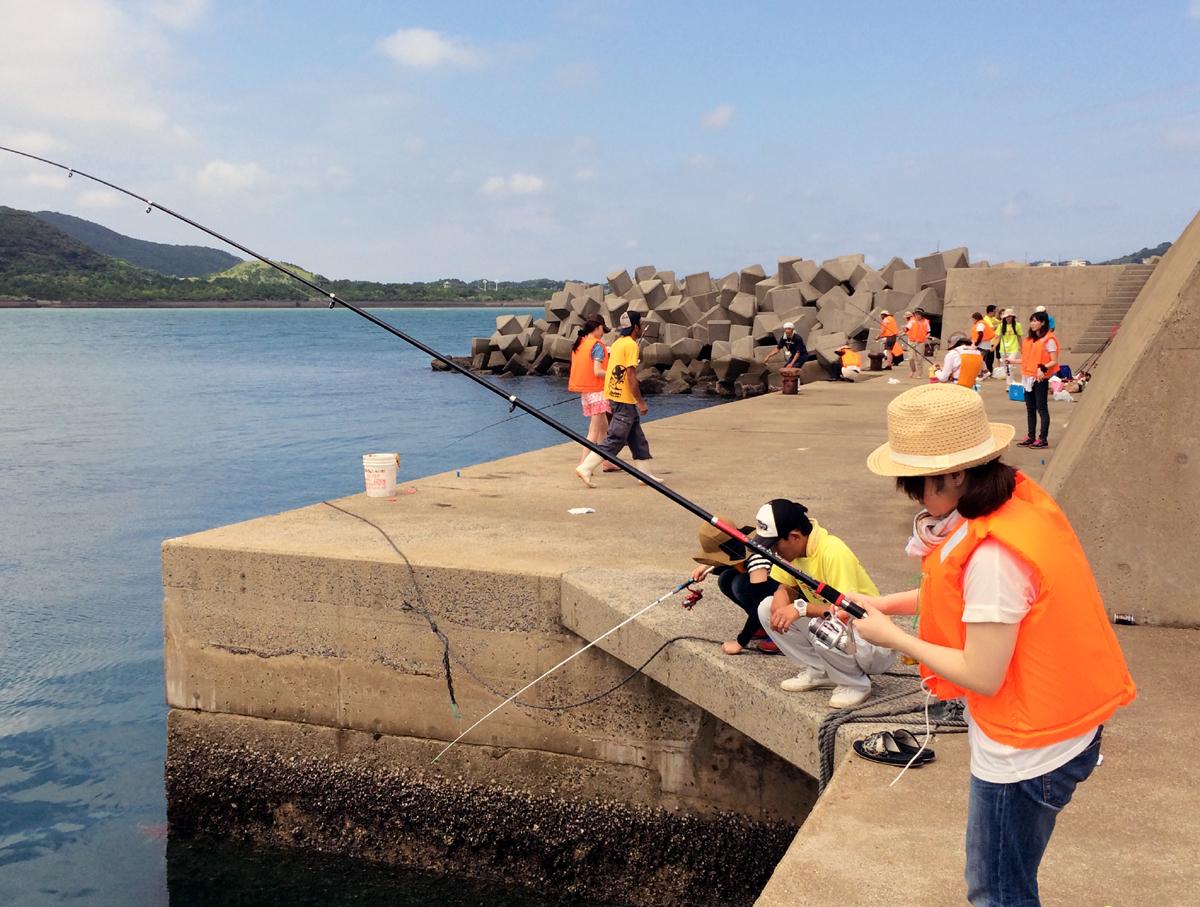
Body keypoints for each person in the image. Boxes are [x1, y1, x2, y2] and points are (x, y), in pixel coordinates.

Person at [853, 383, 1135, 907]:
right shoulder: (1015, 506)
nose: (918, 499)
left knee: (998, 892)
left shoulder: (994, 557)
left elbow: (983, 674)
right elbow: (966, 598)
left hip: (1027, 751)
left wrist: (891, 638)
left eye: (921, 485)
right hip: (1062, 725)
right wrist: (882, 604)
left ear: (957, 474)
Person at [753, 499, 894, 708]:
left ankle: (856, 684)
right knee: (766, 607)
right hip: (843, 633)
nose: (772, 552)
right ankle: (820, 671)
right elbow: (785, 587)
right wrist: (779, 607)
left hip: (872, 642)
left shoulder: (832, 551)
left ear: (794, 536)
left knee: (823, 624)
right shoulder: (794, 552)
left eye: (774, 545)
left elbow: (847, 610)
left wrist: (801, 608)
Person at [575, 311, 654, 486]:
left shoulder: (618, 343)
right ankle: (586, 467)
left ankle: (645, 475)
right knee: (616, 438)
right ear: (636, 327)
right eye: (640, 324)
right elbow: (631, 376)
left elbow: (613, 371)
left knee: (637, 439)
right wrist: (640, 401)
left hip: (613, 396)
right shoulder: (632, 346)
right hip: (624, 399)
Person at [688, 521, 780, 655]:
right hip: (765, 591)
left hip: (782, 596)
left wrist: (740, 642)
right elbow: (729, 563)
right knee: (726, 579)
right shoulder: (741, 549)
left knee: (740, 584)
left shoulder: (757, 560)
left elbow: (759, 603)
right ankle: (762, 624)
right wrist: (706, 567)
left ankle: (777, 631)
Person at [567, 317, 611, 469]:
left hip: (586, 392)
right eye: (603, 329)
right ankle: (583, 464)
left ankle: (607, 461)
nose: (603, 333)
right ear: (598, 327)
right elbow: (598, 371)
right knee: (593, 431)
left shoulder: (581, 343)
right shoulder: (597, 345)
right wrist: (616, 373)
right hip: (597, 392)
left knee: (603, 429)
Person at [1017, 311, 1059, 449]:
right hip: (1028, 377)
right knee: (1030, 409)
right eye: (1031, 321)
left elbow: (1054, 361)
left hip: (1040, 379)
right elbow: (1026, 359)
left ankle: (1043, 438)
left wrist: (1042, 368)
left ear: (1043, 323)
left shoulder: (1049, 339)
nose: (1032, 323)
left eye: (1035, 321)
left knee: (1041, 408)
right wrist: (1011, 361)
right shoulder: (1030, 339)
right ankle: (1031, 436)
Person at [995, 308, 1023, 385]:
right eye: (1007, 317)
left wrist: (1022, 348)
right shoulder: (1000, 326)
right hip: (1003, 349)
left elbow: (1019, 337)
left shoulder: (1017, 325)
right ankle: (1010, 381)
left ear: (1013, 317)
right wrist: (993, 347)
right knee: (1006, 368)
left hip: (1013, 349)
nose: (1008, 318)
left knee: (1009, 367)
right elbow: (998, 338)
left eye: (1010, 316)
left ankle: (1009, 385)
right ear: (1004, 318)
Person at [905, 308, 932, 377]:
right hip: (911, 341)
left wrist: (927, 336)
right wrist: (904, 330)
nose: (917, 316)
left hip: (920, 342)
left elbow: (928, 332)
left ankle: (919, 373)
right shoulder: (912, 321)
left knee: (919, 359)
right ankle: (913, 370)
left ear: (922, 315)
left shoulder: (926, 322)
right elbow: (907, 329)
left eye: (919, 314)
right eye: (916, 314)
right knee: (911, 358)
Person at [970, 311, 996, 378]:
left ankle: (981, 374)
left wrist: (976, 344)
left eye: (973, 319)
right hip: (984, 344)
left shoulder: (980, 324)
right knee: (980, 359)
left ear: (975, 319)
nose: (972, 321)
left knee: (979, 359)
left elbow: (980, 335)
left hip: (982, 345)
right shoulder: (982, 323)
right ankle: (985, 372)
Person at [982, 305, 1002, 376]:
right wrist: (999, 325)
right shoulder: (986, 319)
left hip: (993, 341)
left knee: (991, 358)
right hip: (987, 341)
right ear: (990, 311)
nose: (995, 313)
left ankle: (989, 371)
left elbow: (1000, 322)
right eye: (995, 311)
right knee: (987, 358)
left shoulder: (993, 318)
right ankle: (986, 372)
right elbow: (991, 329)